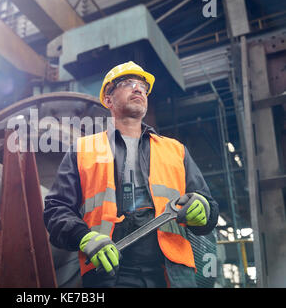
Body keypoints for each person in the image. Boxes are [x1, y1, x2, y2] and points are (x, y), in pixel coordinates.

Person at [43, 61, 219, 288]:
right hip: (108, 272)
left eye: (142, 87)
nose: (138, 89)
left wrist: (203, 209)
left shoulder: (176, 150)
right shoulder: (82, 150)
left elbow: (209, 208)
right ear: (108, 99)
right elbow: (56, 209)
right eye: (127, 83)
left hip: (173, 274)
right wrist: (83, 237)